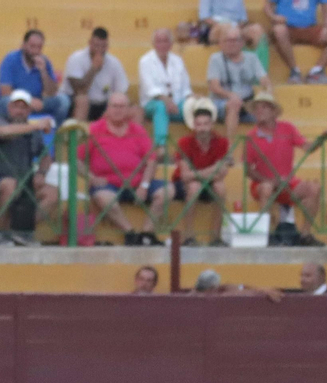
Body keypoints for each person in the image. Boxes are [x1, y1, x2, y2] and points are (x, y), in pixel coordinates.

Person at [243, 91, 327, 245]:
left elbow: (307, 147)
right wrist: (269, 180)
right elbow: (248, 170)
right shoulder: (251, 136)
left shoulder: (287, 128)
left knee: (313, 188)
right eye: (257, 108)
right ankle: (266, 235)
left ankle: (305, 234)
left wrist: (321, 139)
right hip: (263, 183)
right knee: (266, 188)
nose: (259, 111)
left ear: (273, 112)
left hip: (286, 183)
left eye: (264, 107)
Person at [80, 93, 165, 246]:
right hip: (108, 184)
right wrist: (91, 177)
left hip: (137, 183)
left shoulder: (138, 130)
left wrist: (144, 185)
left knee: (167, 191)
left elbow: (152, 160)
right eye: (114, 106)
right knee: (104, 198)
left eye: (122, 106)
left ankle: (146, 233)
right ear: (108, 108)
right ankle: (130, 233)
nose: (118, 110)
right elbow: (76, 160)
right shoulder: (94, 129)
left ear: (128, 110)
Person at [0, 90, 58, 247]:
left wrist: (41, 173)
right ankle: (0, 233)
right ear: (9, 108)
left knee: (52, 193)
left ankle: (21, 230)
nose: (19, 111)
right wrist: (35, 126)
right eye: (16, 107)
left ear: (29, 110)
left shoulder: (32, 130)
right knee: (10, 185)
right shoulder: (2, 121)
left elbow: (45, 156)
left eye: (24, 108)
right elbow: (2, 132)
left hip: (24, 178)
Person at [173, 98, 232, 245]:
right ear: (194, 125)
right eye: (199, 124)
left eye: (206, 124)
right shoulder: (184, 142)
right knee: (194, 186)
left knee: (220, 187)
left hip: (209, 182)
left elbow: (222, 173)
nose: (202, 128)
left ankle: (216, 237)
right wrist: (213, 169)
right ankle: (188, 236)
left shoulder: (221, 142)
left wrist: (198, 174)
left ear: (211, 125)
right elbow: (185, 176)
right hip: (184, 184)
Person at [205, 24, 268, 145]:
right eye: (228, 40)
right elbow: (214, 86)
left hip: (246, 102)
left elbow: (264, 80)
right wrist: (230, 95)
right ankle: (230, 147)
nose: (232, 43)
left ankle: (267, 147)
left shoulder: (252, 58)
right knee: (233, 104)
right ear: (221, 43)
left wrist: (267, 94)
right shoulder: (216, 59)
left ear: (242, 43)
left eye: (235, 40)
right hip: (221, 102)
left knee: (268, 108)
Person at [265, 0, 327, 85]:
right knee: (279, 30)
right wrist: (274, 17)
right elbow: (268, 6)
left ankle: (317, 71)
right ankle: (294, 72)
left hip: (310, 28)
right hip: (287, 28)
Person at [0, 30, 67, 123]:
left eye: (39, 47)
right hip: (15, 101)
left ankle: (54, 129)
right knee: (6, 101)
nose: (35, 51)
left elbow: (52, 92)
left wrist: (43, 71)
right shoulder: (10, 60)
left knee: (63, 101)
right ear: (24, 45)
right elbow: (5, 91)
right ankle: (16, 128)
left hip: (37, 102)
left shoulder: (45, 62)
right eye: (32, 46)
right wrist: (28, 100)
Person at [60, 27, 129, 124]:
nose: (99, 50)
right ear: (90, 43)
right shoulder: (76, 59)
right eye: (96, 46)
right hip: (75, 102)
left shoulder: (114, 62)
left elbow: (121, 91)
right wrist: (94, 69)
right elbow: (80, 90)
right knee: (82, 100)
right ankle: (78, 132)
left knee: (132, 108)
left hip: (102, 103)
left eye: (103, 46)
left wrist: (114, 106)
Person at [138, 29, 190, 150]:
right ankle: (161, 147)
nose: (162, 45)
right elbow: (150, 89)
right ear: (153, 44)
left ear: (171, 44)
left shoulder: (178, 60)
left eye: (165, 41)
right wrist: (167, 101)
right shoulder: (145, 61)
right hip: (152, 104)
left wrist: (192, 99)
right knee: (161, 107)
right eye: (159, 41)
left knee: (196, 108)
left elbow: (186, 88)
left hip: (176, 105)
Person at [197, 0, 264, 49]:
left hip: (236, 27)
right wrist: (226, 26)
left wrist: (236, 28)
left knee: (256, 29)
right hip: (216, 27)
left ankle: (253, 62)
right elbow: (205, 18)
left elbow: (243, 20)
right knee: (226, 28)